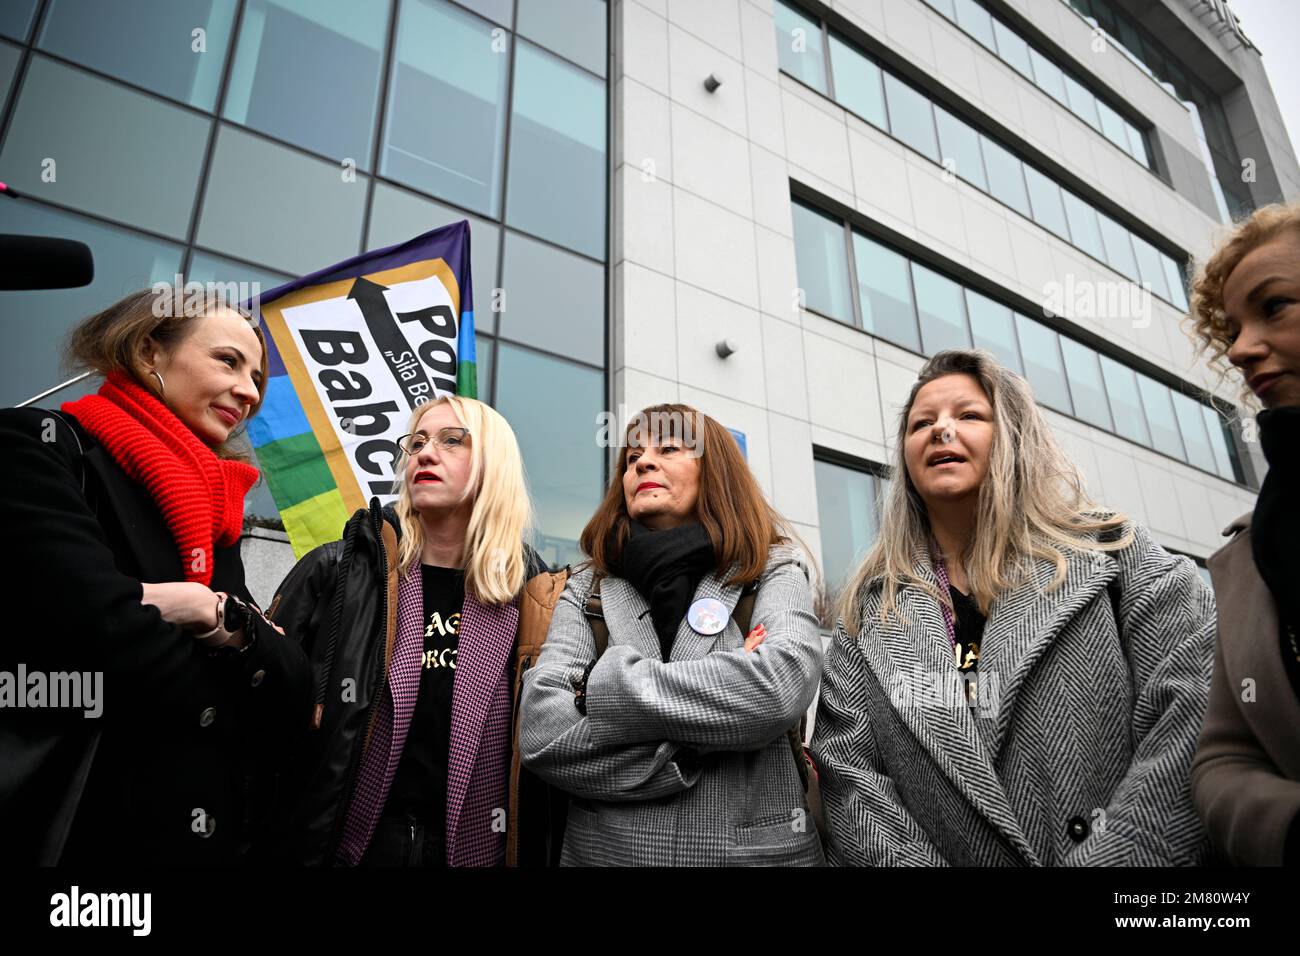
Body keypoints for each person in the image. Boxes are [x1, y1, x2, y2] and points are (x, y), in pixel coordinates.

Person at [811, 349, 1216, 866]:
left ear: (1012, 437)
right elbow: (853, 782)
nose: (941, 431)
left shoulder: (1115, 552)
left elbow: (1192, 710)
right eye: (922, 424)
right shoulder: (867, 615)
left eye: (969, 416)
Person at [0, 286, 311, 865]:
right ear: (148, 353)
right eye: (228, 361)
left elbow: (293, 686)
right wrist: (240, 646)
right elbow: (98, 637)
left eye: (257, 378)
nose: (249, 391)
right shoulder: (37, 449)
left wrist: (207, 613)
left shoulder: (218, 511)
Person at [519, 403, 824, 866]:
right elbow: (541, 733)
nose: (642, 462)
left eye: (668, 448)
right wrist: (701, 735)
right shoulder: (586, 585)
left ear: (715, 471)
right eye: (632, 456)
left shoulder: (772, 568)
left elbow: (777, 689)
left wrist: (599, 691)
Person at [269, 395, 550, 866]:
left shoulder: (535, 600)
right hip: (344, 847)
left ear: (493, 465)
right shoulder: (338, 571)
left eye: (451, 441)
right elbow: (264, 703)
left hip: (472, 848)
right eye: (416, 442)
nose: (424, 452)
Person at [1188, 202, 1300, 865]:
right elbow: (1224, 755)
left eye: (1275, 306)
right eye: (1231, 328)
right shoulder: (1247, 555)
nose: (1239, 348)